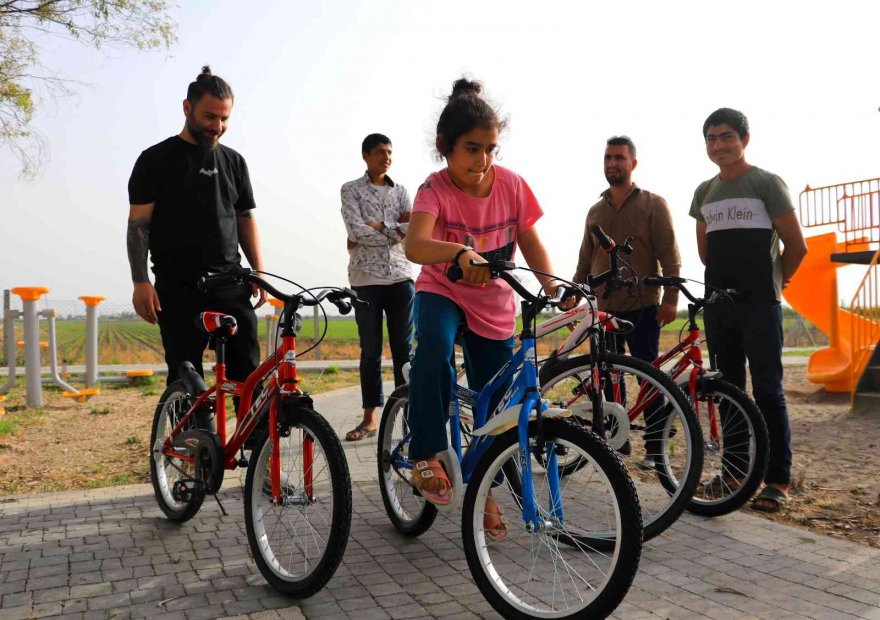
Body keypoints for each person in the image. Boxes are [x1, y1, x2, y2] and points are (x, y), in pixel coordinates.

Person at [404, 77, 562, 538]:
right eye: (472, 148)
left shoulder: (511, 186)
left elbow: (531, 242)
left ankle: (483, 487)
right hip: (443, 290)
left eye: (491, 148)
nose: (483, 160)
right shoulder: (433, 189)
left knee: (499, 402)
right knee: (433, 351)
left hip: (494, 301)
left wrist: (555, 289)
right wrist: (456, 252)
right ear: (444, 146)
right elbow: (415, 244)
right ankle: (427, 454)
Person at [689, 107, 807, 513]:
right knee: (728, 391)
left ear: (745, 139)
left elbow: (797, 245)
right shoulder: (704, 192)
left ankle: (777, 480)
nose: (718, 145)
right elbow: (705, 251)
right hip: (719, 307)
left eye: (726, 136)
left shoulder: (766, 183)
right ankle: (736, 474)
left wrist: (778, 284)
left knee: (769, 391)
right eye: (711, 138)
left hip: (760, 305)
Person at [127, 66, 266, 389]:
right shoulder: (155, 160)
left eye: (225, 119)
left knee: (247, 375)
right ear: (187, 108)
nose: (217, 127)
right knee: (186, 378)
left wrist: (257, 269)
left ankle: (251, 440)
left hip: (231, 283)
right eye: (210, 117)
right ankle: (189, 439)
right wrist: (140, 281)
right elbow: (138, 226)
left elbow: (245, 218)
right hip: (178, 288)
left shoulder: (234, 162)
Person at [573, 135, 680, 363]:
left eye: (619, 158)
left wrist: (671, 299)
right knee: (608, 377)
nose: (612, 163)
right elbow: (585, 262)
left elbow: (670, 256)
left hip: (642, 306)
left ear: (633, 163)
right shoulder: (595, 211)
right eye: (607, 158)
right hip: (602, 308)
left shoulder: (654, 205)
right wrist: (573, 295)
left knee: (648, 378)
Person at [340, 134, 414, 441]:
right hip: (365, 279)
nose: (387, 157)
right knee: (370, 351)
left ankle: (410, 419)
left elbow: (413, 230)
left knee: (405, 353)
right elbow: (354, 229)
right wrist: (393, 231)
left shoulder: (402, 191)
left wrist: (380, 227)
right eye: (381, 152)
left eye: (390, 152)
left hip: (401, 277)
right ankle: (370, 418)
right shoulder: (350, 190)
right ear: (366, 155)